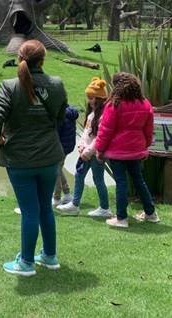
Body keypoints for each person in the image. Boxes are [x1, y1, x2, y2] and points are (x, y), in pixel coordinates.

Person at [0, 40, 67, 277]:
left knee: (30, 211)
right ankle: (50, 257)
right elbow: (62, 115)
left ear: (20, 58)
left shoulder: (10, 85)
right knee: (45, 209)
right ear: (43, 59)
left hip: (20, 159)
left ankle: (26, 263)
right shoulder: (56, 84)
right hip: (49, 157)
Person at [94, 72, 160, 228]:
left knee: (121, 182)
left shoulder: (113, 105)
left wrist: (99, 149)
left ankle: (121, 218)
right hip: (136, 150)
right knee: (139, 180)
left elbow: (106, 130)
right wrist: (145, 146)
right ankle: (151, 214)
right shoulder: (145, 103)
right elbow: (148, 129)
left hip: (118, 152)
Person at [57, 78, 113, 218]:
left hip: (95, 154)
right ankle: (75, 204)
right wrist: (81, 145)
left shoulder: (103, 116)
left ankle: (104, 208)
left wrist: (88, 151)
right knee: (79, 175)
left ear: (99, 99)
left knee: (98, 179)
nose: (89, 100)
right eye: (88, 97)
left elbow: (100, 137)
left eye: (91, 98)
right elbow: (86, 133)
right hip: (86, 153)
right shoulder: (91, 114)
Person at [52, 105, 78, 206]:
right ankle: (67, 193)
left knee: (55, 170)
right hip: (68, 146)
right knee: (58, 168)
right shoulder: (69, 112)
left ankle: (57, 197)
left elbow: (55, 133)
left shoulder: (60, 115)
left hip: (60, 147)